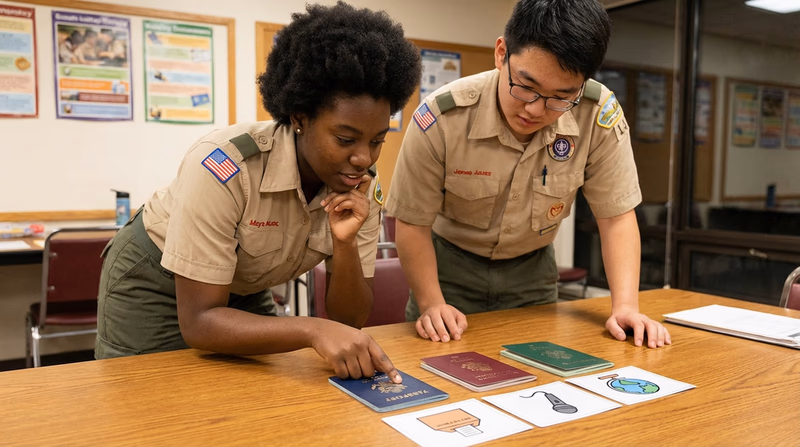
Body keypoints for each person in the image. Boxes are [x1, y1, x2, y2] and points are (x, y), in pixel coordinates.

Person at [96, 1, 421, 383]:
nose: (363, 158)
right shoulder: (224, 165)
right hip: (156, 280)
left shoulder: (362, 185)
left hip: (243, 284)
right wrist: (312, 329)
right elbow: (200, 322)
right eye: (346, 139)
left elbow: (349, 320)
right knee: (150, 400)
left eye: (378, 140)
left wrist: (345, 245)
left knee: (259, 400)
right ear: (300, 118)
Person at [385, 0, 671, 349]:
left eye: (561, 97)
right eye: (525, 86)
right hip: (446, 272)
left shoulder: (597, 115)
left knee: (538, 371)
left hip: (532, 274)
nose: (535, 109)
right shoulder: (444, 117)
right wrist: (431, 303)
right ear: (501, 53)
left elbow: (616, 218)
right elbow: (412, 222)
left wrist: (626, 307)